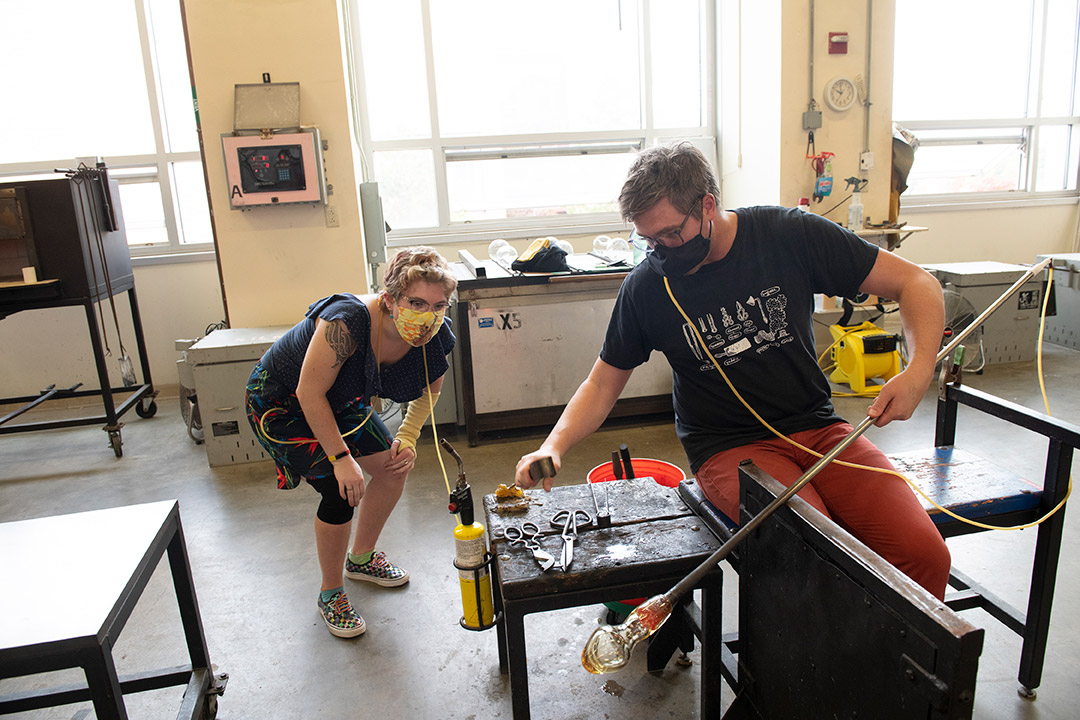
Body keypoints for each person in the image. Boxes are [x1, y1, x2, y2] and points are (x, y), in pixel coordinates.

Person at [514, 142, 951, 600]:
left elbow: (916, 283)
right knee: (816, 551)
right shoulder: (647, 287)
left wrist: (919, 371)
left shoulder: (789, 236)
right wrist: (554, 445)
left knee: (924, 554)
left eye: (669, 235)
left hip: (819, 428)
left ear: (707, 205)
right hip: (728, 447)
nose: (660, 251)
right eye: (648, 241)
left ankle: (894, 667)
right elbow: (603, 382)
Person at [246, 247, 457, 637]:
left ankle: (360, 559)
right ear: (390, 299)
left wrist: (408, 437)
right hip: (282, 401)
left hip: (342, 400)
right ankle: (331, 593)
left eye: (438, 305)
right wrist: (341, 458)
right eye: (416, 302)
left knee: (394, 468)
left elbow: (430, 391)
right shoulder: (348, 321)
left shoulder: (433, 333)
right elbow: (309, 393)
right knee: (339, 489)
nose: (427, 315)